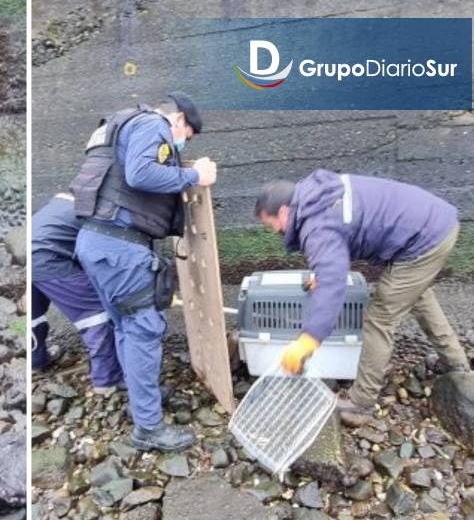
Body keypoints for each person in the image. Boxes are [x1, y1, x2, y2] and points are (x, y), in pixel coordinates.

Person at [255, 170, 472, 426]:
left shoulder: (317, 226)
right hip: (431, 223)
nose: (273, 231)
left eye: (270, 224)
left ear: (282, 212)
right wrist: (323, 273)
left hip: (424, 239)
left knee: (379, 318)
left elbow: (333, 281)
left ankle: (361, 403)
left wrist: (309, 339)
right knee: (417, 295)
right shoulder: (314, 195)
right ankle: (458, 366)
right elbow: (336, 244)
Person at [68, 92, 217, 451]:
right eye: (187, 136)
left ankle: (139, 394)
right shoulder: (154, 123)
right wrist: (195, 174)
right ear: (179, 119)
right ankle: (148, 428)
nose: (181, 142)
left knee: (124, 326)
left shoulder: (120, 125)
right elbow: (140, 173)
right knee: (144, 329)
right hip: (120, 248)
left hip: (96, 242)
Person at [31, 192, 123, 393]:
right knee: (95, 315)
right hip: (48, 260)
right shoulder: (93, 213)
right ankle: (107, 381)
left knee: (33, 315)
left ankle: (35, 360)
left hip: (28, 255)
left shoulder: (58, 203)